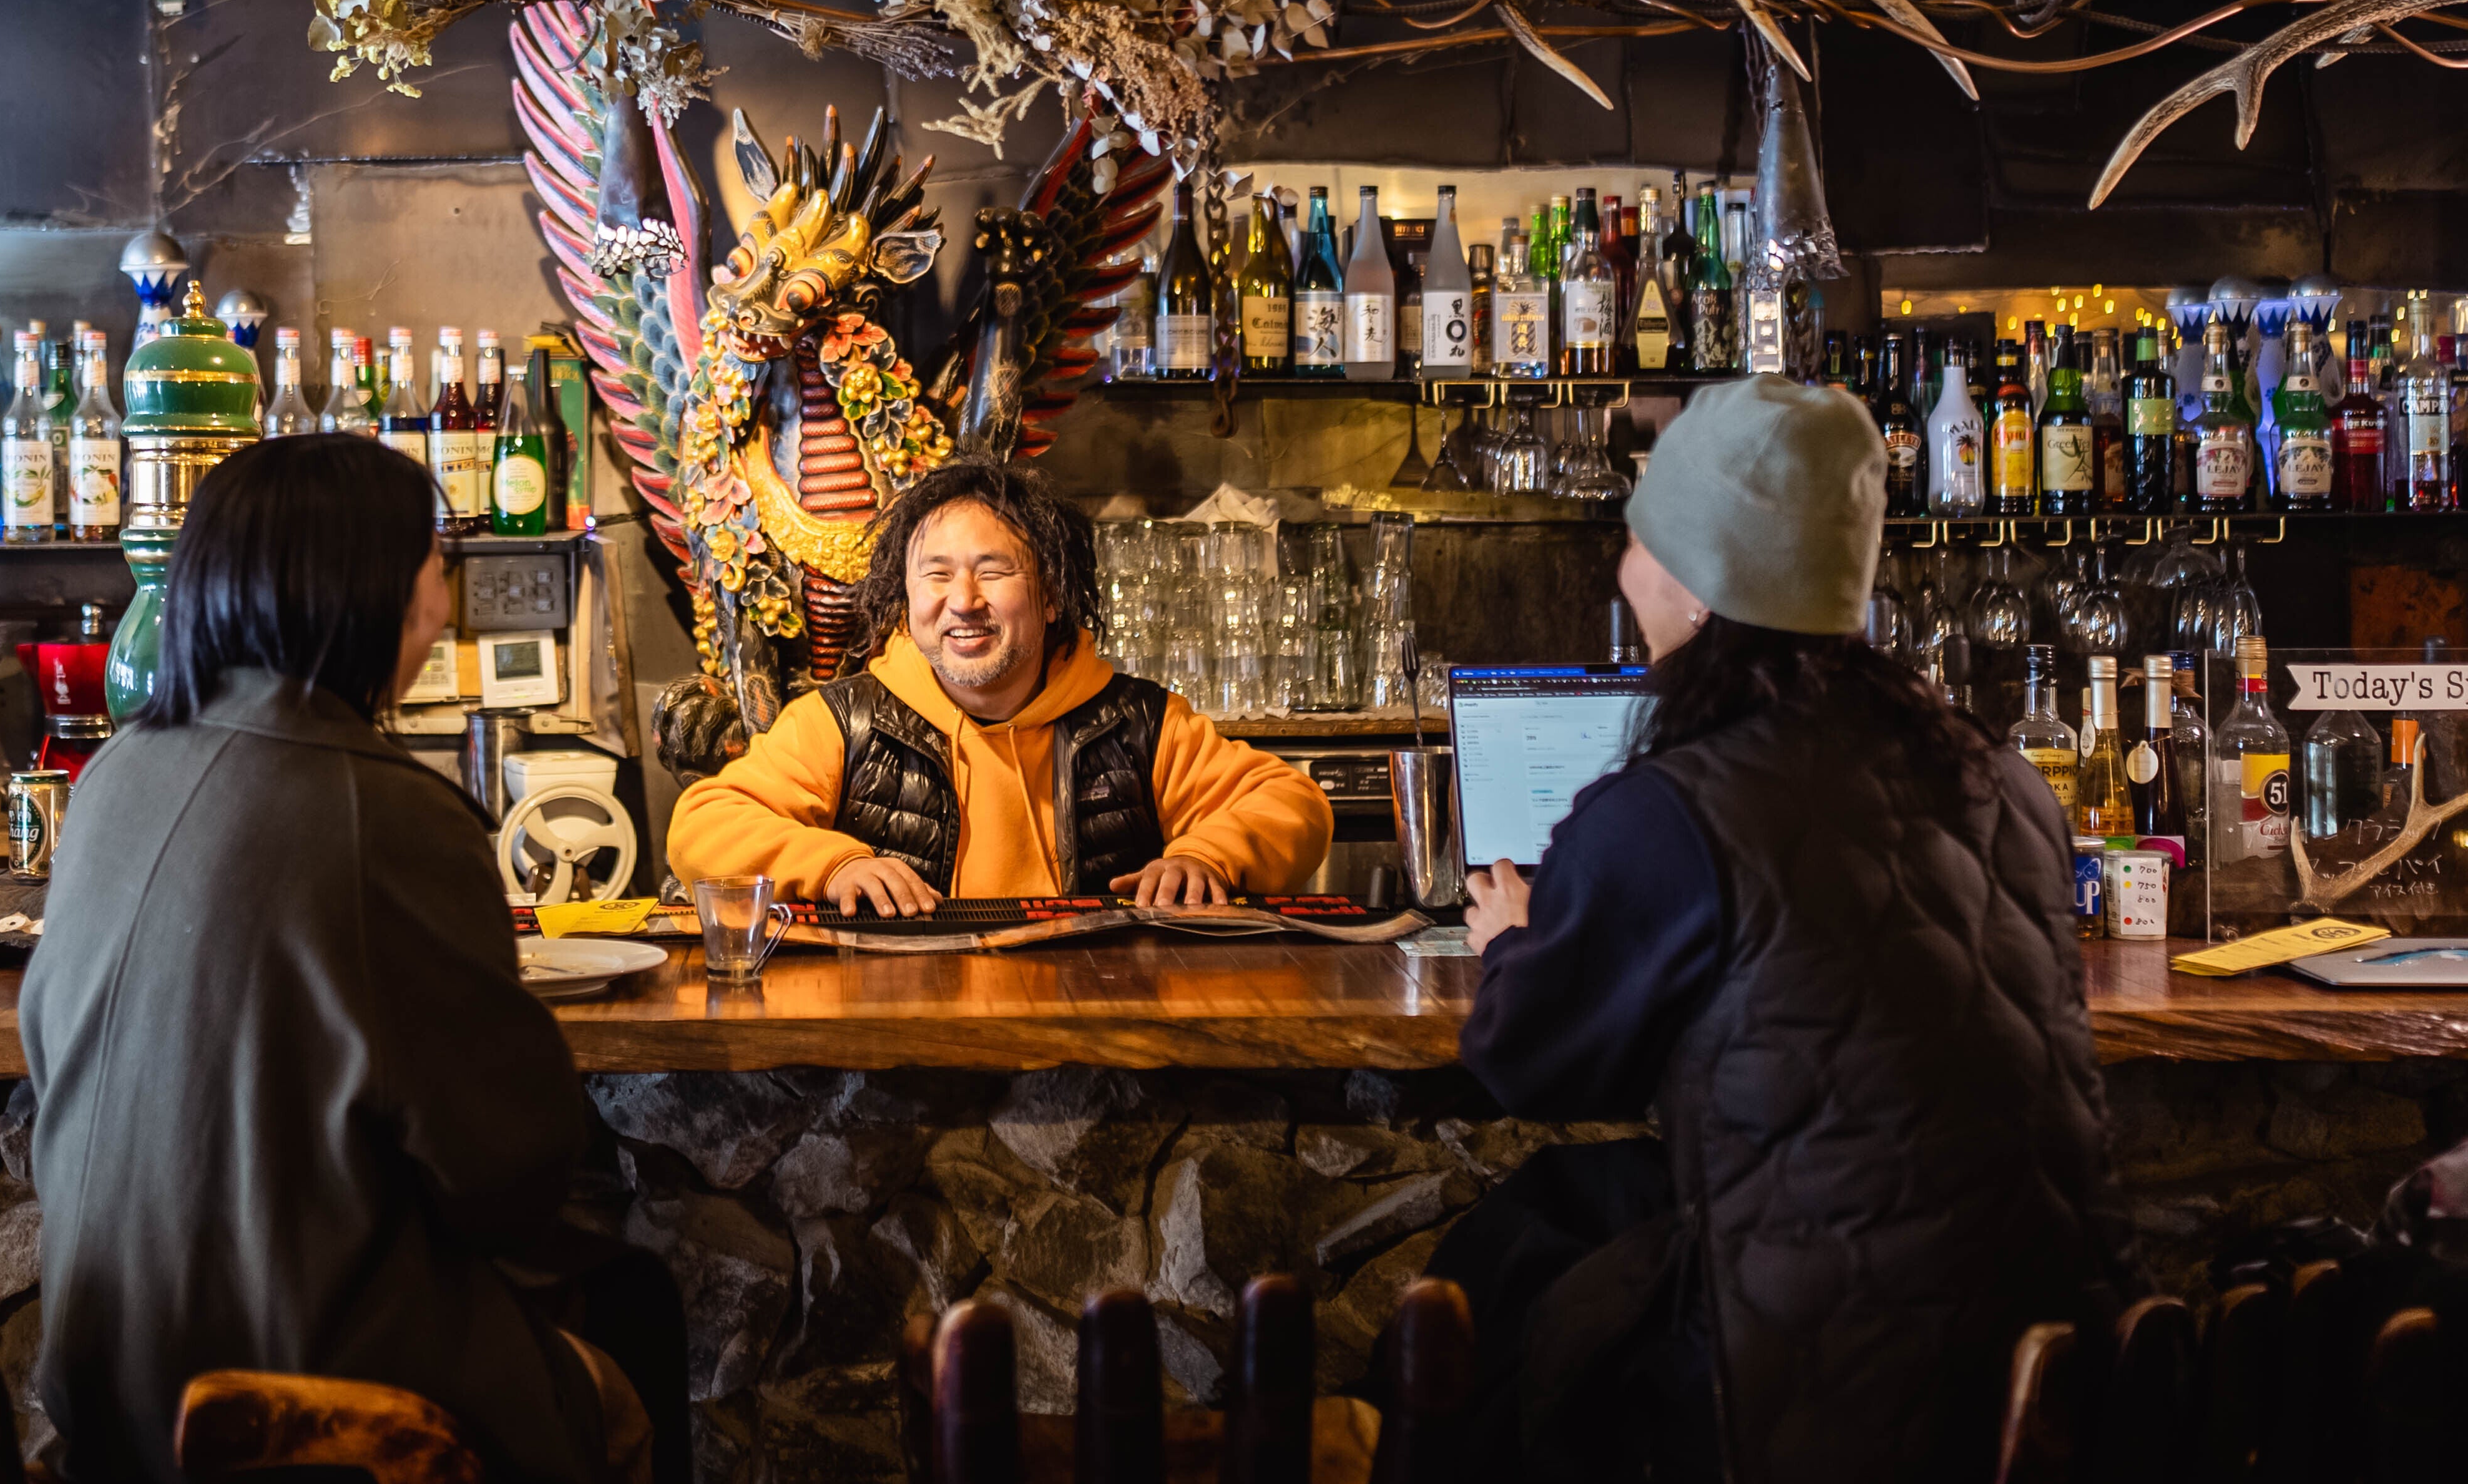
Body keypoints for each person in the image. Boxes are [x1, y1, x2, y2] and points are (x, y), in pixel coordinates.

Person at [1439, 376, 2141, 1483]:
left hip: (1824, 1401)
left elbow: (1529, 1058)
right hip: (2065, 1373)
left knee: (1502, 1271)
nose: (1624, 571)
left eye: (1640, 540)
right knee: (1584, 1208)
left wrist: (1513, 942)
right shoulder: (2005, 780)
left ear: (1697, 586)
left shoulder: (1672, 809)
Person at [20, 436, 659, 1484]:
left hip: (102, 1381)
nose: (444, 605)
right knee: (625, 1364)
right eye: (434, 568)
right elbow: (510, 1175)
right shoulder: (390, 814)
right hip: (297, 1406)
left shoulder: (114, 774)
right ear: (373, 594)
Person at [667, 459, 1331, 914]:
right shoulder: (842, 723)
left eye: (993, 571)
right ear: (906, 597)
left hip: (1096, 1023)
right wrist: (832, 866)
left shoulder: (1140, 722)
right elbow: (703, 827)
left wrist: (1207, 858)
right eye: (935, 575)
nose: (963, 601)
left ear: (1051, 595)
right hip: (904, 1030)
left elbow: (1293, 805)